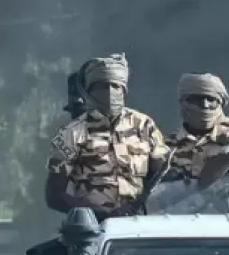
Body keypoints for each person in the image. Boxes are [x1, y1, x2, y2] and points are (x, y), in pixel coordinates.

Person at [43, 53, 170, 219]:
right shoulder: (71, 134)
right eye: (102, 86)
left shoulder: (144, 126)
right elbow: (54, 196)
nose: (110, 92)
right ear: (89, 91)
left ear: (124, 89)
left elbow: (163, 176)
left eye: (115, 86)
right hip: (92, 228)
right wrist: (102, 213)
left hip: (140, 224)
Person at [164, 73, 229, 183]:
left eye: (211, 99)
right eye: (197, 99)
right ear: (184, 102)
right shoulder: (168, 147)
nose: (205, 105)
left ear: (220, 103)